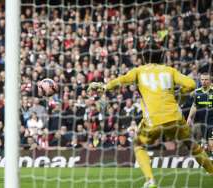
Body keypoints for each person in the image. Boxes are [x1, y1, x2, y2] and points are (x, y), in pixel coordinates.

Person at [87, 40, 213, 188]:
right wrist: (180, 95)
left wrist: (104, 87)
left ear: (144, 57)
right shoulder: (169, 70)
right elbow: (191, 84)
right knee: (193, 146)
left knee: (138, 145)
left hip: (154, 120)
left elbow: (121, 80)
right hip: (175, 118)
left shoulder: (139, 71)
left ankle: (150, 181)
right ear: (160, 56)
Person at [187, 72, 213, 146]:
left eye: (206, 79)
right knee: (205, 144)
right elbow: (194, 105)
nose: (204, 81)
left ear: (210, 80)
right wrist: (189, 117)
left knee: (211, 142)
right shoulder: (197, 92)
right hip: (203, 121)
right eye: (202, 79)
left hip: (212, 121)